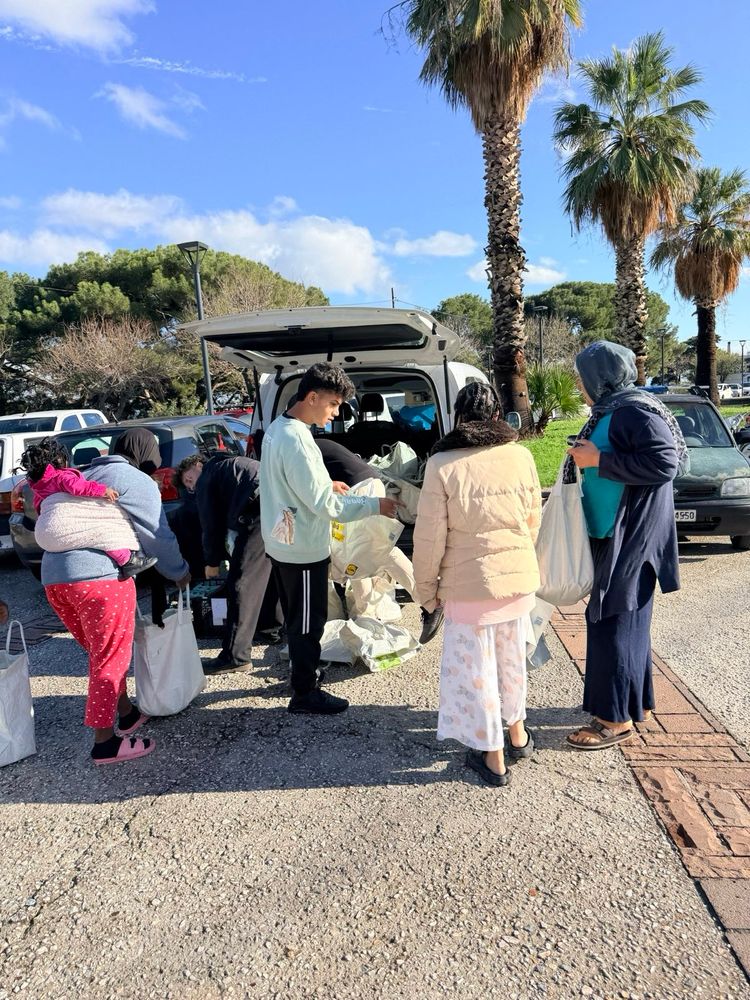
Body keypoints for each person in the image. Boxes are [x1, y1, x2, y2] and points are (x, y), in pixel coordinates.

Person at [413, 382, 542, 787]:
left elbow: (430, 538)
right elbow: (532, 519)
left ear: (458, 416)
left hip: (470, 589)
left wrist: (426, 591)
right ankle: (518, 736)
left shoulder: (443, 463)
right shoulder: (521, 455)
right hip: (517, 582)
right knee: (511, 663)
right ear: (498, 414)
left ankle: (493, 757)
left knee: (477, 673)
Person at [564, 341, 686, 750]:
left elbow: (664, 463)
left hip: (631, 538)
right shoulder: (616, 408)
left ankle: (613, 721)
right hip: (615, 534)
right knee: (626, 624)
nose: (579, 384)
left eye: (582, 375)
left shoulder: (632, 410)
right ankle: (635, 705)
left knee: (612, 623)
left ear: (599, 377)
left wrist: (598, 461)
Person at [43, 427, 190, 765]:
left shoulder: (83, 473)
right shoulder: (134, 479)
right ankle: (104, 743)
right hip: (100, 578)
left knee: (101, 654)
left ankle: (126, 714)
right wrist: (179, 572)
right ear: (145, 453)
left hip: (54, 579)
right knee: (110, 660)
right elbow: (157, 535)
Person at [260, 362, 401, 715]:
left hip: (281, 542)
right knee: (309, 623)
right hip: (303, 550)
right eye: (334, 404)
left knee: (297, 616)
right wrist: (374, 504)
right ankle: (305, 693)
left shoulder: (279, 428)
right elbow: (327, 506)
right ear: (311, 397)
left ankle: (303, 673)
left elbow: (296, 485)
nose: (336, 412)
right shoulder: (297, 439)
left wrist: (327, 485)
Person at [314, 437, 443, 644]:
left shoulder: (297, 447)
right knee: (366, 552)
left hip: (360, 489)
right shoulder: (307, 442)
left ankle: (427, 602)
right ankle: (365, 615)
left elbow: (310, 489)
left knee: (364, 554)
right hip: (367, 485)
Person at [174, 451, 282, 674]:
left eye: (188, 479)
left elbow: (210, 524)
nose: (192, 486)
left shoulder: (209, 474)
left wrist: (211, 562)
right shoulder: (232, 465)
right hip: (280, 508)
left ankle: (236, 656)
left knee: (242, 584)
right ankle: (272, 628)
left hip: (258, 513)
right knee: (270, 573)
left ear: (197, 465)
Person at [20, 438, 157, 579]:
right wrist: (103, 490)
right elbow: (79, 487)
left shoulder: (39, 487)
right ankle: (128, 561)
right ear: (60, 461)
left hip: (46, 534)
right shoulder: (61, 476)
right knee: (102, 535)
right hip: (71, 523)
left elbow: (39, 507)